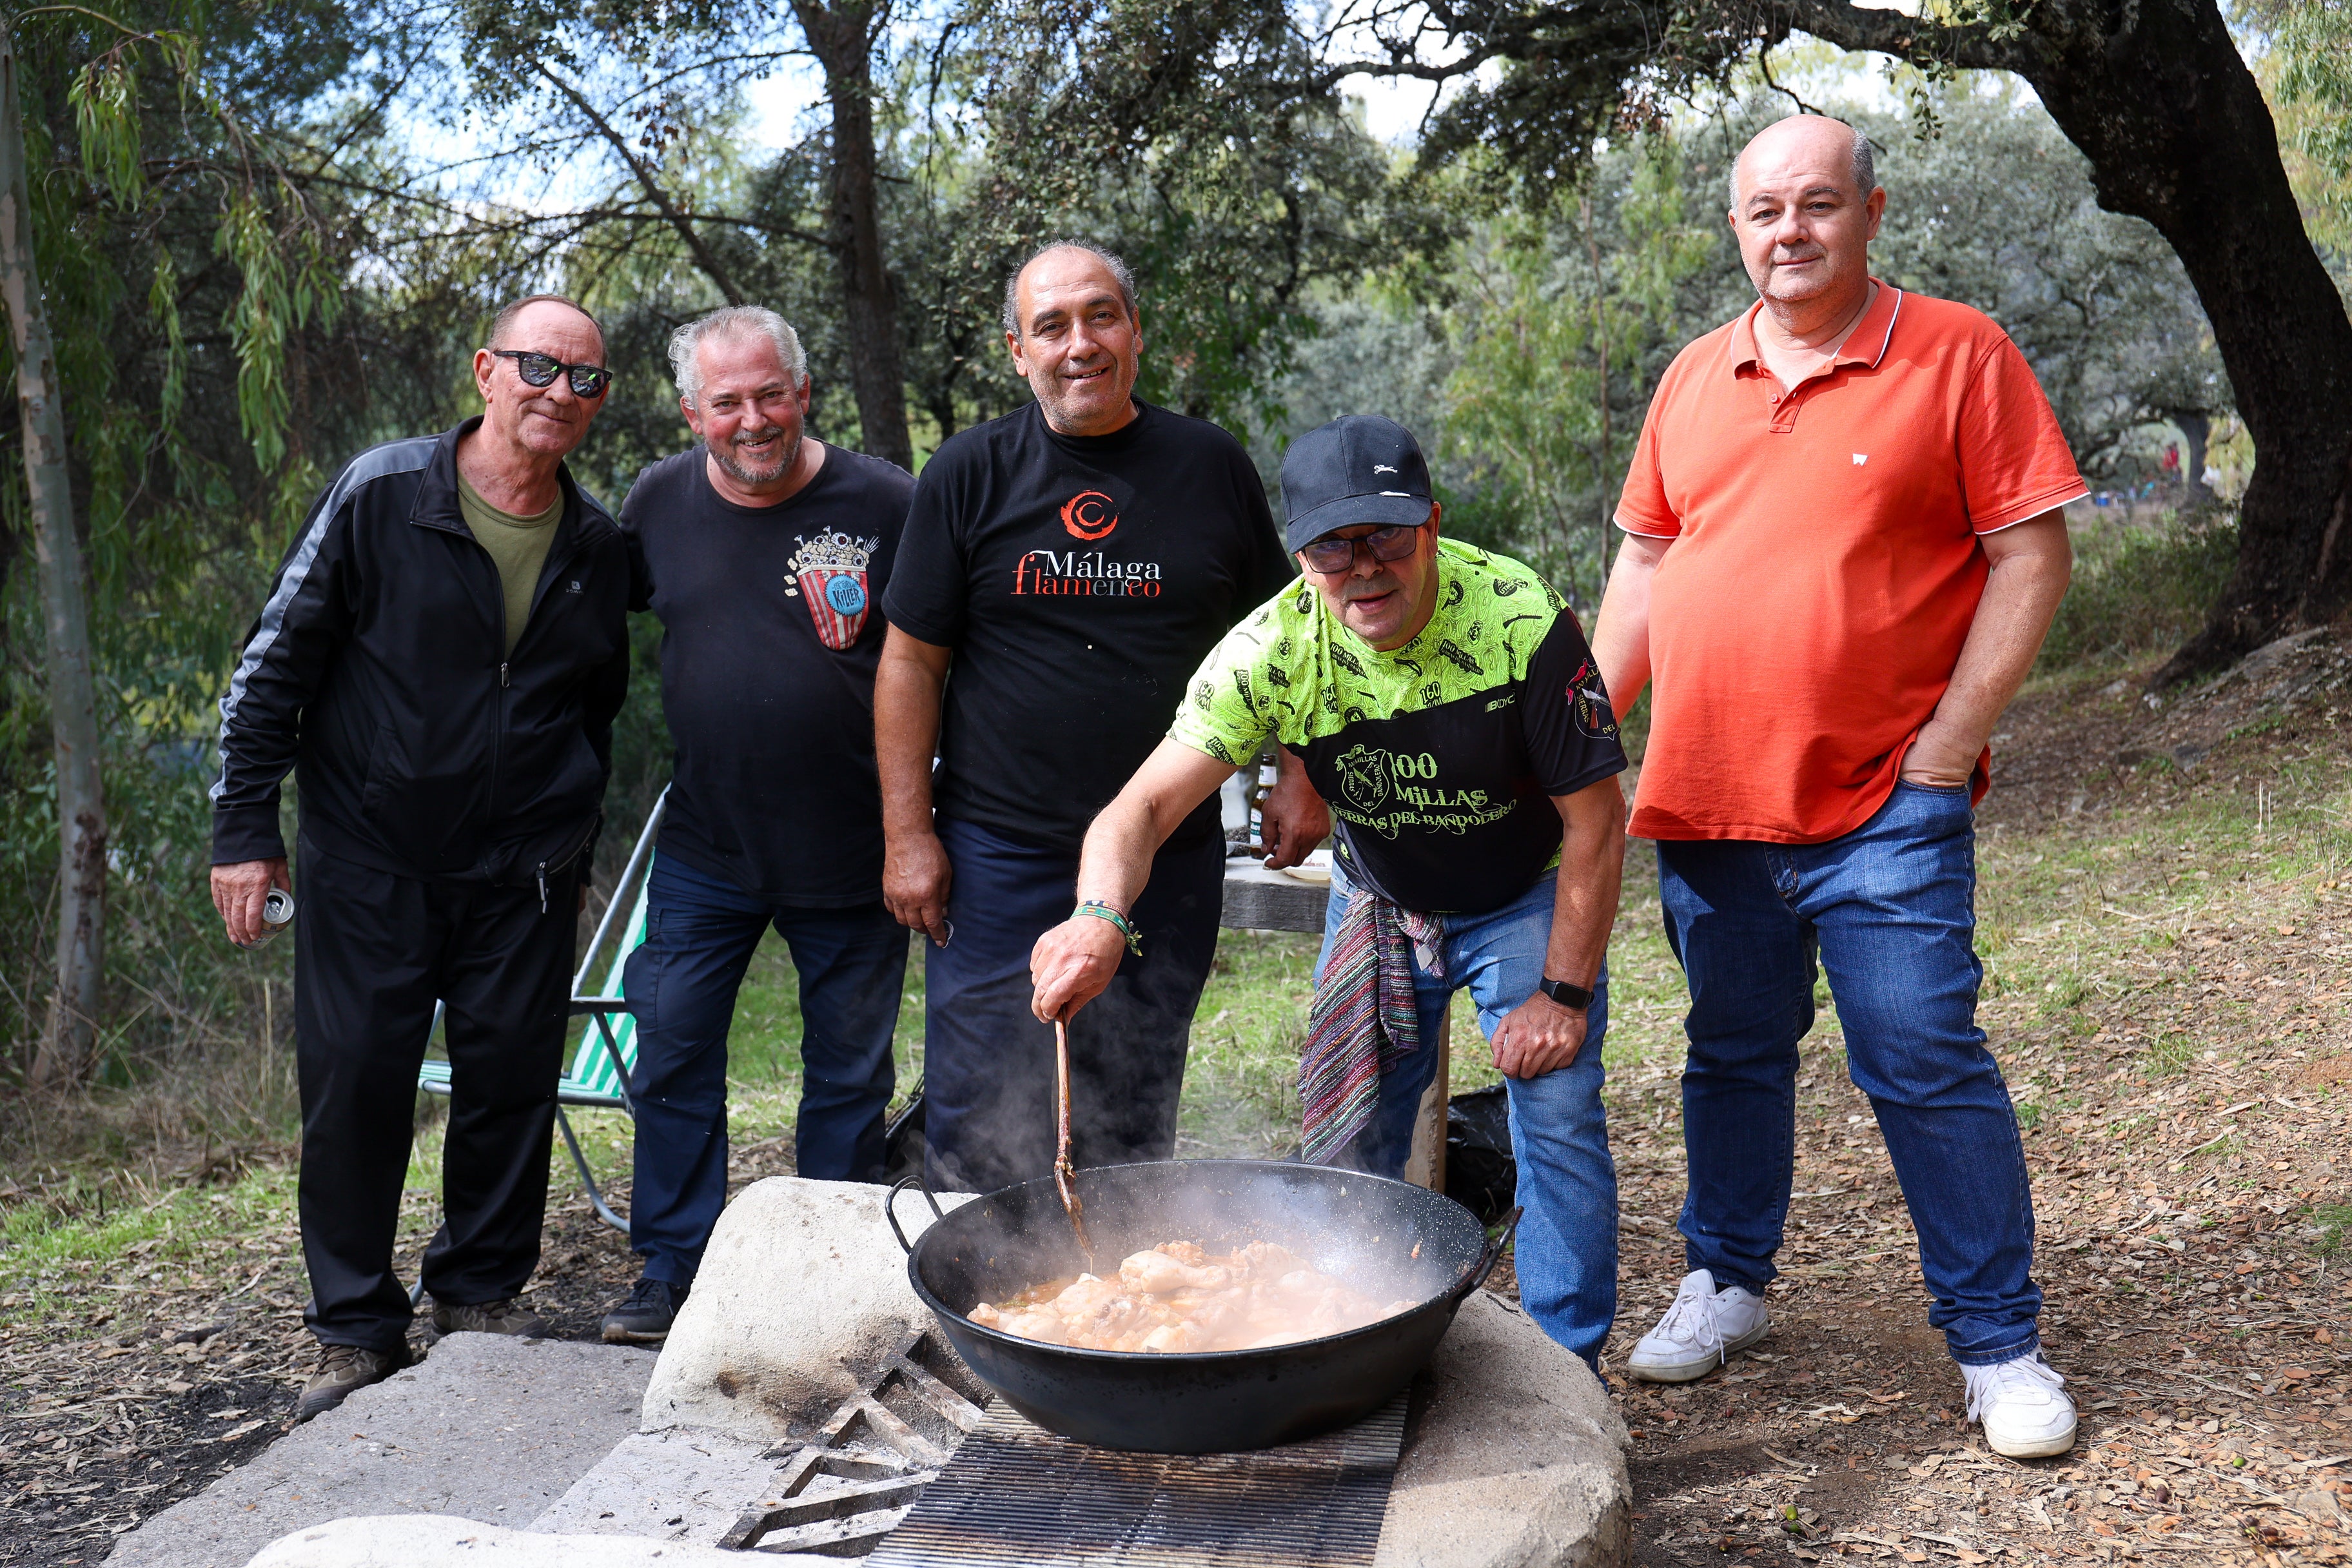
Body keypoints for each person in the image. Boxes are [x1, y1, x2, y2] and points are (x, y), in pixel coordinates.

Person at [1589, 115, 2084, 1457]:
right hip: (1707, 799)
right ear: (1736, 229)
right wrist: (1582, 734)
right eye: (1764, 211)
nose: (1789, 231)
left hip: (1886, 804)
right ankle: (1728, 1278)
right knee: (1732, 1049)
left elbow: (2031, 556)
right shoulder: (1695, 375)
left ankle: (1998, 1344)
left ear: (1872, 210)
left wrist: (1947, 747)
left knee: (1921, 1056)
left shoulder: (1958, 353)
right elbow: (1645, 565)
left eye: (1816, 203)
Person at [1030, 415, 1631, 1367]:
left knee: (1554, 1114)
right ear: (1300, 556)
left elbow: (1597, 820)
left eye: (1386, 536)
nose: (1365, 569)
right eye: (1332, 547)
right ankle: (1346, 1347)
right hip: (1381, 897)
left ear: (1432, 523)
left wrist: (1562, 995)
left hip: (1521, 892)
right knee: (1351, 1135)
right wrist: (1097, 918)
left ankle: (1567, 1371)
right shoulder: (1271, 649)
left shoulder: (1519, 620)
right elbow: (1139, 808)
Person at [209, 295, 630, 1420]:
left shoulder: (597, 545)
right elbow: (273, 665)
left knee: (509, 1085)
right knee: (356, 1087)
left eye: (587, 378)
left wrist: (573, 839)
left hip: (526, 870)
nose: (561, 392)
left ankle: (480, 1297)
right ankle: (355, 1328)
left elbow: (594, 709)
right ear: (487, 370)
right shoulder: (383, 492)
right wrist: (244, 830)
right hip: (369, 857)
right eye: (539, 367)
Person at [875, 240, 1318, 1194]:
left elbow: (1287, 638)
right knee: (979, 1111)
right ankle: (975, 1284)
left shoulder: (1209, 465)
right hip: (998, 858)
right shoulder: (968, 472)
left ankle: (1111, 1283)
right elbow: (910, 662)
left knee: (1131, 1110)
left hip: (1169, 855)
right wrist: (908, 834)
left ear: (1136, 332)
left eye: (1101, 316)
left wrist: (1299, 774)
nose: (1080, 344)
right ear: (1017, 351)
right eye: (1052, 326)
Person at [597, 307, 915, 1344]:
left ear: (804, 392)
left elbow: (941, 659)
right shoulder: (656, 502)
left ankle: (823, 1277)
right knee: (673, 1047)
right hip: (707, 846)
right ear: (692, 412)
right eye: (726, 401)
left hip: (856, 847)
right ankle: (672, 1267)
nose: (753, 419)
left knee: (849, 1075)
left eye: (771, 393)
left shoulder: (887, 501)